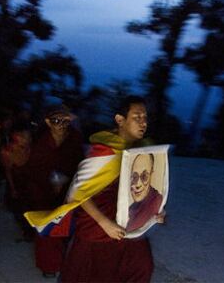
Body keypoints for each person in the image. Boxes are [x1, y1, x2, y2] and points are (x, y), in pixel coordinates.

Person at [54, 95, 166, 282]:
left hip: (127, 227)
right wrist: (104, 223)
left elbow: (142, 192)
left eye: (145, 117)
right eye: (137, 117)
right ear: (120, 120)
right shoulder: (104, 151)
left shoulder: (141, 151)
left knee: (142, 268)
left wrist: (153, 212)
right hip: (98, 228)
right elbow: (76, 191)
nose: (143, 122)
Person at [25, 104, 84, 278]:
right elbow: (32, 167)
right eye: (56, 120)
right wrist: (49, 179)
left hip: (68, 190)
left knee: (66, 227)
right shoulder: (40, 141)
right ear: (48, 122)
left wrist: (67, 177)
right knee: (47, 231)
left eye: (65, 120)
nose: (61, 125)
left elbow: (80, 162)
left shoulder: (75, 137)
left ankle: (66, 260)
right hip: (42, 191)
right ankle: (49, 266)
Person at [0, 125, 34, 242]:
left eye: (28, 136)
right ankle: (26, 231)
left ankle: (31, 230)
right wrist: (13, 188)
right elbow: (8, 172)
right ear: (16, 137)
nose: (27, 139)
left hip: (31, 183)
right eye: (23, 136)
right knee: (19, 210)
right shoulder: (8, 151)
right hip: (17, 183)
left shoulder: (32, 148)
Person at [126, 153, 163, 232]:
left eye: (144, 176)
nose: (137, 184)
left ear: (151, 175)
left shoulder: (154, 201)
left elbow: (127, 230)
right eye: (134, 176)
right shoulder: (133, 206)